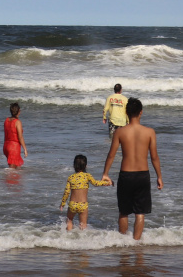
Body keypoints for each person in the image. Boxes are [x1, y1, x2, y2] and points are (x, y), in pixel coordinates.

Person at [101, 97, 163, 240]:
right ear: (141, 113)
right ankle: (136, 244)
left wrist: (105, 173)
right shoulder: (149, 132)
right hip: (142, 175)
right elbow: (154, 157)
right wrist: (159, 176)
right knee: (139, 212)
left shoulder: (120, 132)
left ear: (126, 113)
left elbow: (111, 155)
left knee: (123, 212)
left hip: (126, 175)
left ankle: (123, 244)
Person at [59, 154, 112, 230]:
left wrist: (62, 204)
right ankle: (83, 239)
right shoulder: (87, 176)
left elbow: (66, 192)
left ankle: (68, 235)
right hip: (83, 205)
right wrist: (107, 183)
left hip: (72, 204)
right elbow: (96, 183)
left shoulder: (70, 177)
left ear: (74, 166)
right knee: (83, 225)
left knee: (69, 220)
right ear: (86, 166)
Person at [3, 102, 28, 168]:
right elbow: (20, 137)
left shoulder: (6, 120)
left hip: (6, 146)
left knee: (16, 169)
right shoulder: (17, 122)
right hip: (14, 147)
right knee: (12, 172)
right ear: (19, 111)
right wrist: (25, 149)